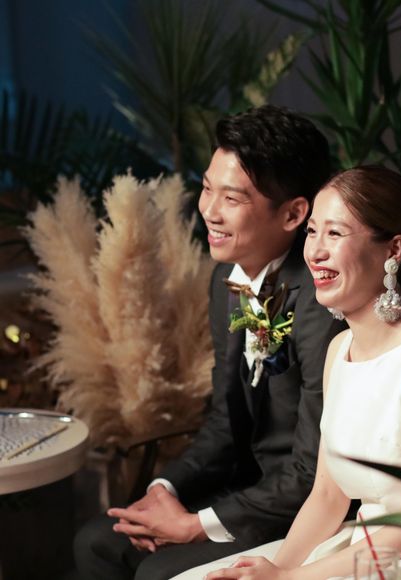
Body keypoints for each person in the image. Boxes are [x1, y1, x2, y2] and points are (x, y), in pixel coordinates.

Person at [74, 105, 346, 580]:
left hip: (301, 510)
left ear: (293, 213)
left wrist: (197, 525)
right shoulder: (227, 282)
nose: (209, 211)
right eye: (206, 188)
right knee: (98, 542)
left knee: (156, 572)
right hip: (242, 487)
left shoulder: (323, 303)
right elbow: (224, 422)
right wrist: (165, 490)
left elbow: (312, 475)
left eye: (232, 198)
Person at [198, 166, 401, 580]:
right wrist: (277, 568)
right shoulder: (339, 350)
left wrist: (288, 579)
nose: (315, 251)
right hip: (369, 547)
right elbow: (328, 497)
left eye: (335, 233)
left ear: (393, 249)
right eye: (312, 231)